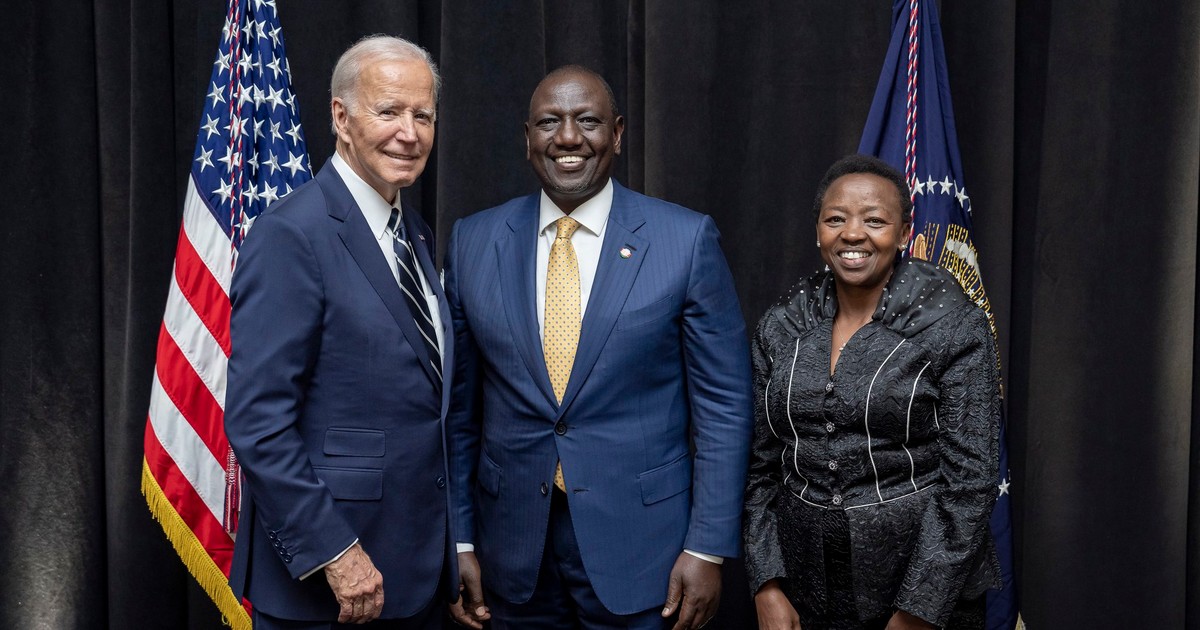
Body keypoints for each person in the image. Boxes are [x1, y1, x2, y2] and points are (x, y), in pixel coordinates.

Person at [443, 65, 754, 630]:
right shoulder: (473, 241)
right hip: (510, 555)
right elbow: (458, 412)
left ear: (617, 134)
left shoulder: (684, 241)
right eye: (549, 122)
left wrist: (708, 547)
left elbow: (724, 409)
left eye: (586, 121)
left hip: (647, 555)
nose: (567, 138)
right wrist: (459, 537)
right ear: (527, 137)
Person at [225, 35, 456, 629]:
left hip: (416, 572)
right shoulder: (291, 235)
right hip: (335, 583)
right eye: (389, 111)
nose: (410, 132)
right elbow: (257, 419)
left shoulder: (416, 235)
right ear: (340, 116)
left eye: (423, 115)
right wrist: (335, 551)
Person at [743, 155, 1002, 630]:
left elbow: (971, 483)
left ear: (904, 232)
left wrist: (918, 611)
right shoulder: (781, 326)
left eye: (875, 221)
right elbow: (759, 467)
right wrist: (767, 583)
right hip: (804, 592)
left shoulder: (952, 326)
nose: (853, 234)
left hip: (924, 593)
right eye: (836, 219)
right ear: (818, 230)